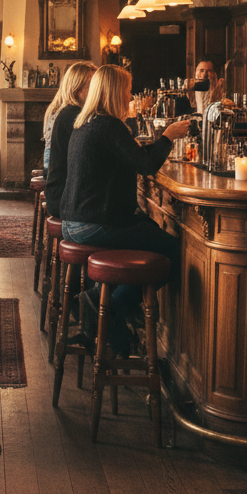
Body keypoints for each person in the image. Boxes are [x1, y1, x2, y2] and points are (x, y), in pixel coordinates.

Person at [60, 65, 190, 354]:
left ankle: (106, 303)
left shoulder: (87, 123)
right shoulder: (109, 126)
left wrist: (157, 142)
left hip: (74, 222)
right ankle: (110, 306)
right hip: (93, 224)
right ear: (115, 92)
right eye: (128, 90)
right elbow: (146, 165)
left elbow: (134, 157)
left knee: (150, 229)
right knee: (173, 251)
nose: (131, 96)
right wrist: (168, 136)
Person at [43, 61, 96, 218]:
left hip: (62, 195)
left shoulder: (70, 112)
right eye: (93, 86)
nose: (98, 91)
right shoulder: (74, 116)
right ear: (78, 89)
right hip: (64, 200)